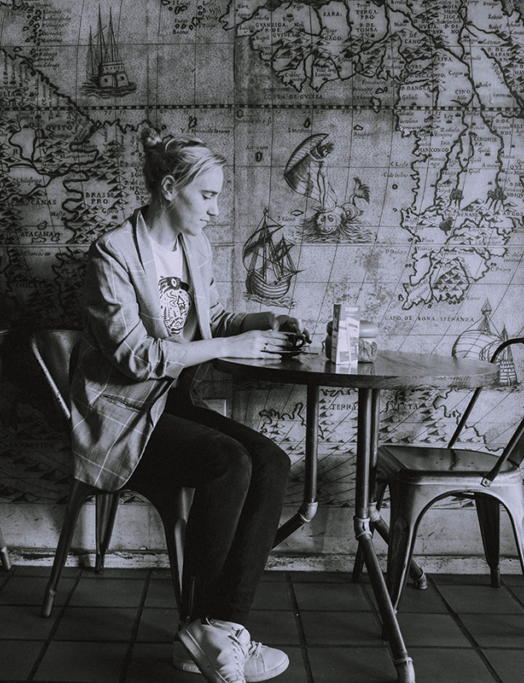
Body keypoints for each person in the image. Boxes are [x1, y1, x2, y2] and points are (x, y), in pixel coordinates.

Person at [69, 127, 308, 683]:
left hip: (172, 401)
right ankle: (203, 626)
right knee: (230, 461)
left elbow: (211, 321)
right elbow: (132, 358)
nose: (217, 210)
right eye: (208, 196)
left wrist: (256, 323)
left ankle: (219, 630)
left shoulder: (193, 247)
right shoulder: (112, 253)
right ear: (170, 188)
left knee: (271, 461)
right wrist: (229, 346)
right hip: (125, 415)